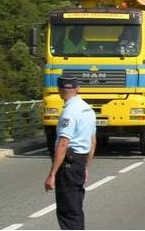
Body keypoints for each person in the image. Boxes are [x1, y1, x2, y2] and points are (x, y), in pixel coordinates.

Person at [44, 76, 97, 230]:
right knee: (76, 208)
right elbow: (93, 142)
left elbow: (63, 143)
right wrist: (86, 167)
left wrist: (52, 174)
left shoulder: (69, 112)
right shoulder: (88, 109)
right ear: (78, 89)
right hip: (80, 162)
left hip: (68, 165)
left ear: (59, 91)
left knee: (67, 210)